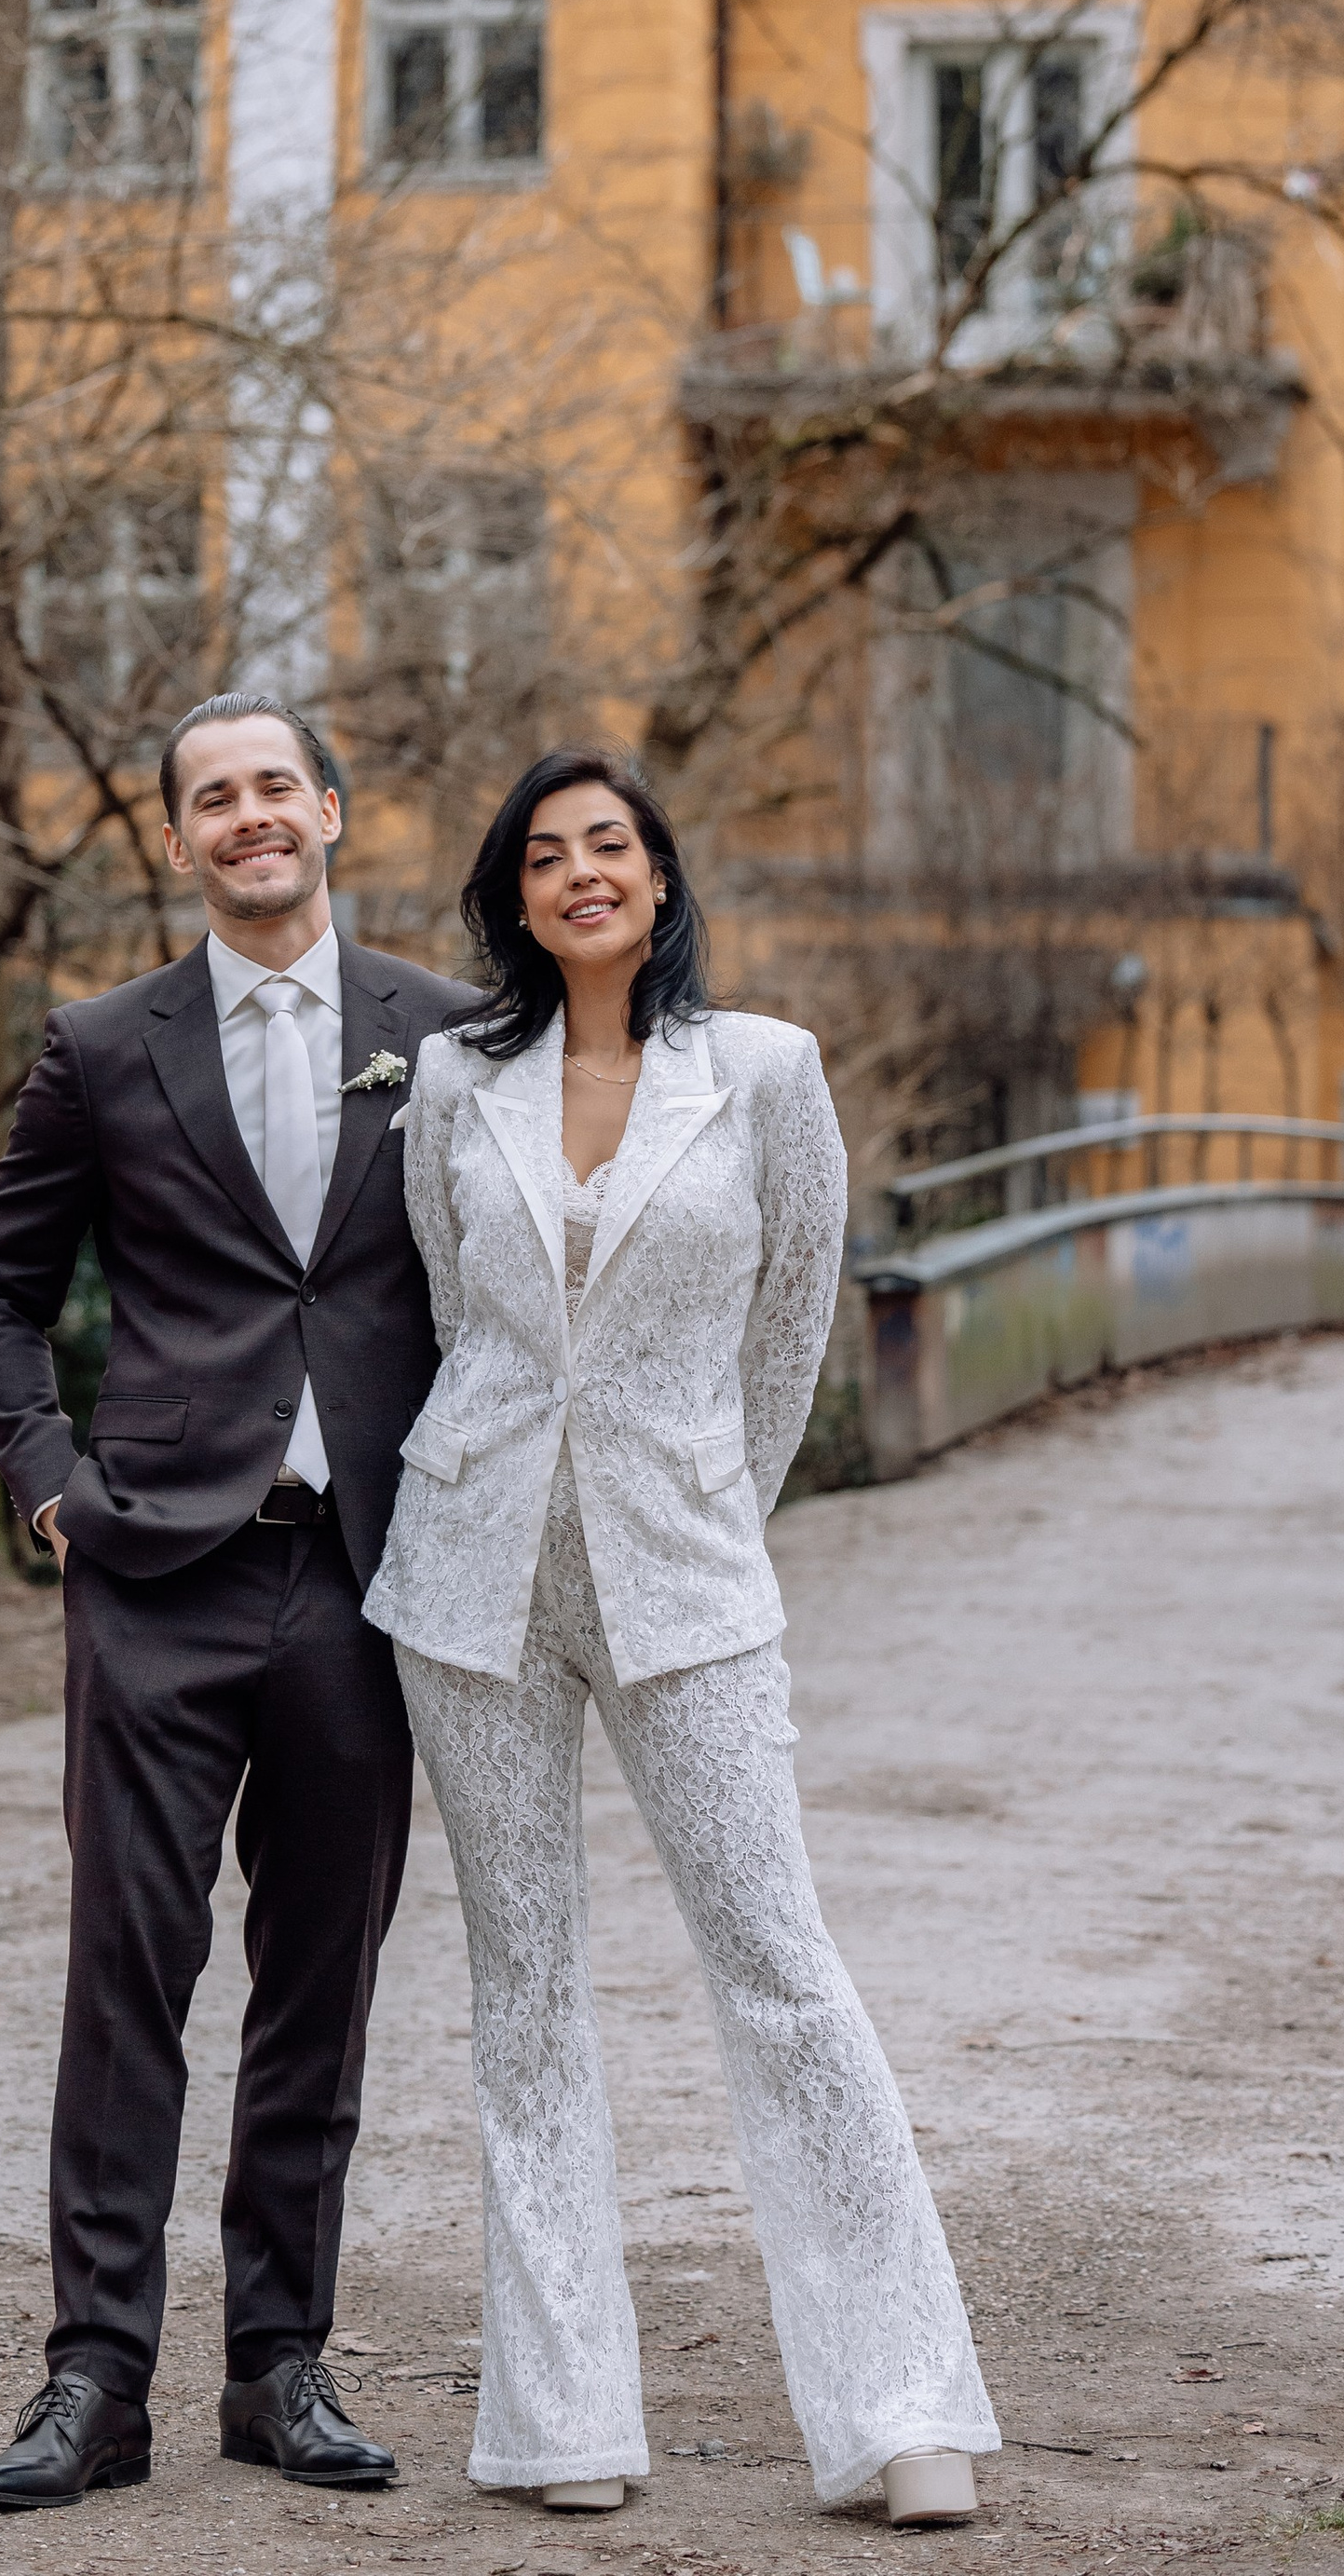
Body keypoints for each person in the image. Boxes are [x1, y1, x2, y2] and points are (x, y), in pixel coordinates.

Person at [362, 745, 1000, 2531]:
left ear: (658, 878)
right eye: (545, 855)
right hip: (468, 1579)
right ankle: (561, 2416)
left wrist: (700, 1504)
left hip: (688, 1579)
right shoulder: (455, 1084)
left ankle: (903, 2409)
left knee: (781, 1966)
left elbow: (791, 1327)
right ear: (512, 901)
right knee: (525, 1988)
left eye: (611, 845)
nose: (582, 872)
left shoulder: (766, 1072)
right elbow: (451, 1312)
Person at [0, 693, 475, 2514]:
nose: (249, 816)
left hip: (365, 1577)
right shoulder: (102, 1046)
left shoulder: (445, 1036)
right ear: (176, 841)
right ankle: (94, 2380)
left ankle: (277, 2366)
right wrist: (47, 1483)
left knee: (319, 1980)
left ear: (329, 810)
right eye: (212, 798)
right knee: (128, 1978)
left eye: (275, 787)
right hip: (156, 1573)